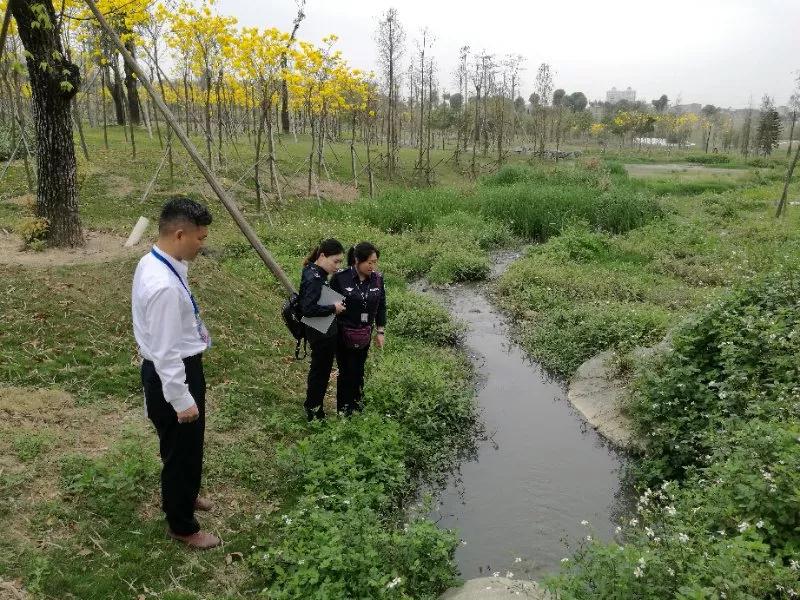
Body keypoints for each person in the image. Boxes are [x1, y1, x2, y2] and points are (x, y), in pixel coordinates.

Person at [131, 196, 220, 550]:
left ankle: (184, 494)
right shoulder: (165, 287)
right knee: (180, 449)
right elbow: (167, 353)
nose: (203, 244)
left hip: (170, 368)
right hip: (173, 373)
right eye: (200, 238)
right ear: (180, 234)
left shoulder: (154, 261)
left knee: (186, 445)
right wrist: (182, 399)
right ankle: (182, 524)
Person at [331, 242, 386, 416]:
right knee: (346, 371)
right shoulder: (340, 278)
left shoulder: (378, 279)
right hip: (343, 333)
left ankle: (357, 406)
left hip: (364, 334)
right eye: (369, 262)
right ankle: (343, 410)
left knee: (359, 370)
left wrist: (380, 331)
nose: (372, 266)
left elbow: (381, 306)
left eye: (375, 262)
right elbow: (328, 307)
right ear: (357, 260)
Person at [299, 238, 346, 421]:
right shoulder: (314, 277)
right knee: (320, 372)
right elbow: (308, 309)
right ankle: (313, 409)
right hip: (321, 333)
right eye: (335, 261)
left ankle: (313, 406)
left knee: (320, 370)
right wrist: (333, 308)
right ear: (322, 256)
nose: (337, 266)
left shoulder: (313, 269)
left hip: (323, 329)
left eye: (340, 262)